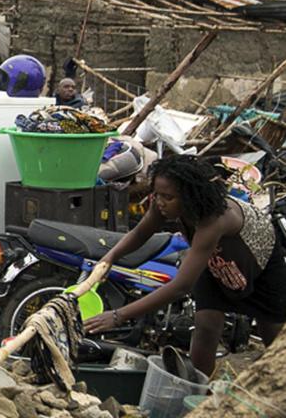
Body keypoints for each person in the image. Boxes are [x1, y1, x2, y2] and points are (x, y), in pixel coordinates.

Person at [85, 155, 286, 376]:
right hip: (215, 262)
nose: (160, 202)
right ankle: (199, 386)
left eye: (168, 197)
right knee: (206, 325)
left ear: (190, 197)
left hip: (258, 265)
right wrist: (110, 257)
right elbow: (141, 232)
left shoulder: (215, 219)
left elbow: (181, 286)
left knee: (273, 334)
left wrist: (118, 315)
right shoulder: (162, 204)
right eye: (157, 194)